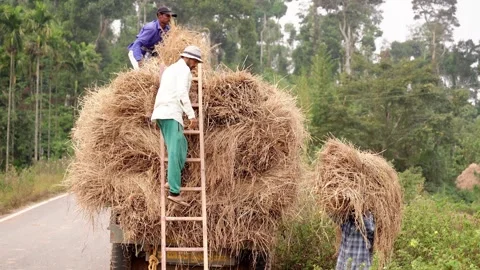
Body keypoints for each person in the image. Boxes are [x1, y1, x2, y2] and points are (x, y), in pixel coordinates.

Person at [150, 45, 203, 206]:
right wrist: (192, 115)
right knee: (175, 150)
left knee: (181, 146)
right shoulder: (183, 71)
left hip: (164, 112)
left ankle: (170, 180)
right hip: (170, 113)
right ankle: (174, 191)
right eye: (194, 61)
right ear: (187, 58)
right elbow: (181, 93)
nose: (195, 65)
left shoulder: (171, 69)